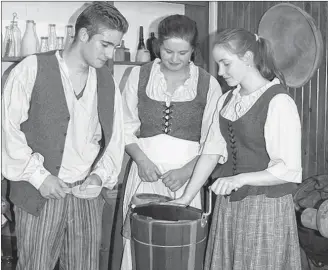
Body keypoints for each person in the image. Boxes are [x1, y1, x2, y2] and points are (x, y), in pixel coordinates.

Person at [1, 2, 128, 269]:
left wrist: (99, 176)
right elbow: (7, 133)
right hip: (40, 194)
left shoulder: (107, 82)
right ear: (83, 35)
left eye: (114, 46)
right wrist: (40, 177)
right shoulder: (31, 69)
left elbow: (115, 139)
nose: (110, 53)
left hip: (86, 196)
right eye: (105, 44)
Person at [173, 28, 302, 269]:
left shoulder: (279, 102)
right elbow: (211, 151)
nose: (220, 72)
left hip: (265, 207)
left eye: (226, 64)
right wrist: (186, 198)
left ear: (248, 58)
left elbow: (288, 169)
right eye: (218, 64)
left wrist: (239, 179)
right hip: (229, 207)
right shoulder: (226, 100)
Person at [120, 14, 222, 270]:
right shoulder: (138, 76)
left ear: (193, 51)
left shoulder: (209, 84)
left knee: (181, 248)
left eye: (183, 53)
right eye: (168, 51)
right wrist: (141, 160)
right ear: (158, 46)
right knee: (139, 246)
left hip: (189, 178)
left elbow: (215, 140)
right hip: (144, 175)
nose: (175, 59)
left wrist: (187, 172)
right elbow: (123, 126)